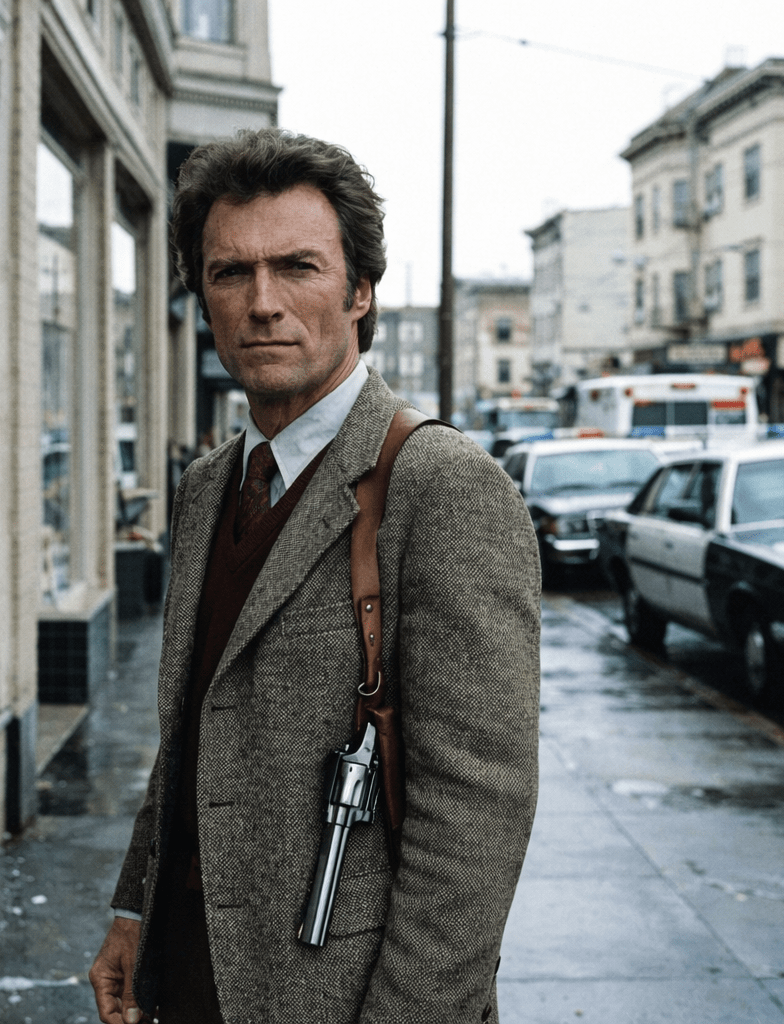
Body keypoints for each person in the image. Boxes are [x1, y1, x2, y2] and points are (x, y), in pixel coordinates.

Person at [89, 128, 540, 1024]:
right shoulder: (208, 486)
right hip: (183, 980)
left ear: (361, 290)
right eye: (230, 273)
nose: (263, 304)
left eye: (298, 267)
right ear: (203, 296)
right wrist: (134, 907)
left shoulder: (440, 485)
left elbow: (477, 816)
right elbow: (193, 733)